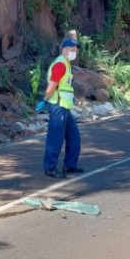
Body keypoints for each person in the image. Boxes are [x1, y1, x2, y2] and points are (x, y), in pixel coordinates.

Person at [42, 38, 83, 178]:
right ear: (64, 50)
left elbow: (65, 86)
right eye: (72, 49)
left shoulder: (66, 63)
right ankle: (50, 168)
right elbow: (52, 85)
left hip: (64, 106)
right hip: (58, 106)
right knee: (55, 138)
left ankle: (70, 165)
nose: (75, 51)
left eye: (75, 49)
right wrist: (45, 100)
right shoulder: (60, 64)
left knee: (74, 136)